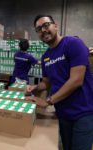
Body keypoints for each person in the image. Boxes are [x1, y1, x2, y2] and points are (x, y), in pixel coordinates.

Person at [26, 15, 93, 150]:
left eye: (46, 25)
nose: (43, 30)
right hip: (62, 113)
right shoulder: (45, 57)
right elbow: (47, 82)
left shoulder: (73, 44)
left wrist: (48, 101)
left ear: (55, 26)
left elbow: (76, 80)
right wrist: (35, 87)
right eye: (39, 29)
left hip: (83, 113)